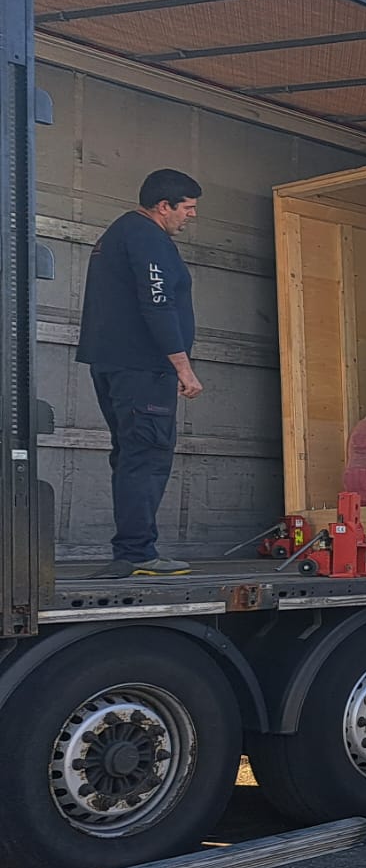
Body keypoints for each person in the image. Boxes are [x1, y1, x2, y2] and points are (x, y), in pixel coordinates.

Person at [75, 169, 205, 578]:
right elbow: (157, 302)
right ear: (163, 206)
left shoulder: (118, 234)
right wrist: (183, 367)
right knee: (146, 457)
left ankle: (133, 548)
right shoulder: (147, 238)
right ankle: (137, 552)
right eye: (188, 208)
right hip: (143, 369)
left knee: (131, 456)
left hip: (114, 364)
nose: (191, 216)